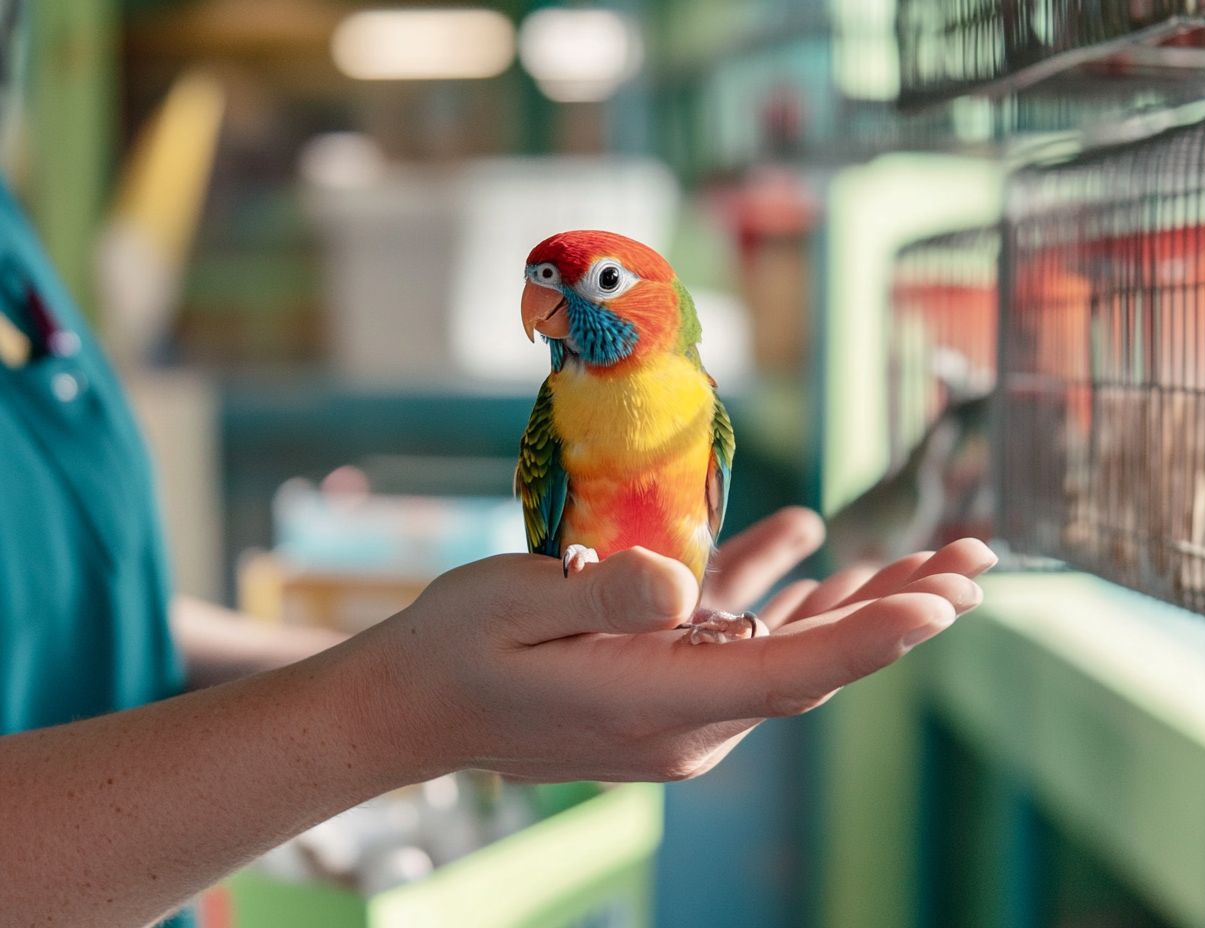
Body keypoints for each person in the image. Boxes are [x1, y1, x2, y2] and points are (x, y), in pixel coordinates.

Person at [0, 9, 997, 928]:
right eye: (545, 288)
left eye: (589, 285)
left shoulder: (15, 233)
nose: (550, 307)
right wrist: (401, 706)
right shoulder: (554, 413)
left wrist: (395, 671)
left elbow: (93, 603)